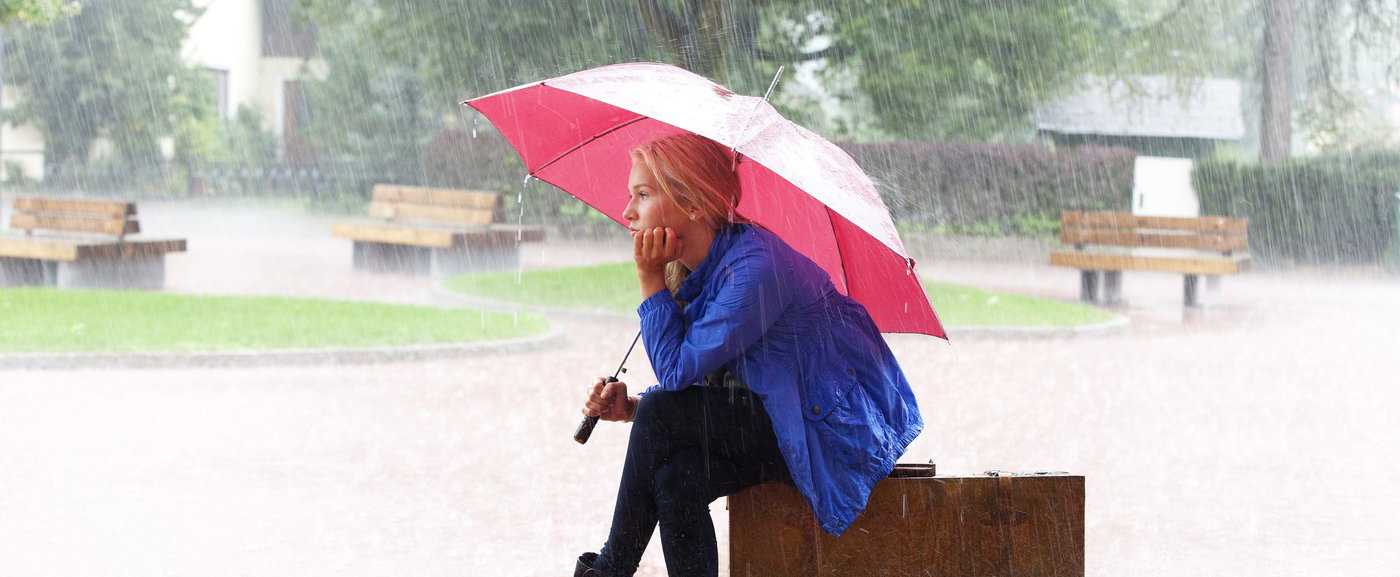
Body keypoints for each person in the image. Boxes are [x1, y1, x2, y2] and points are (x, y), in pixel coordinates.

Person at [574, 132, 923, 577]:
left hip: (822, 430)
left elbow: (677, 374)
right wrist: (634, 409)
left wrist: (649, 279)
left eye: (643, 194)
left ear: (695, 205)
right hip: (773, 415)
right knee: (675, 474)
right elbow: (703, 383)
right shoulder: (705, 270)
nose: (627, 211)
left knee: (662, 411)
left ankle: (610, 569)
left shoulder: (756, 270)